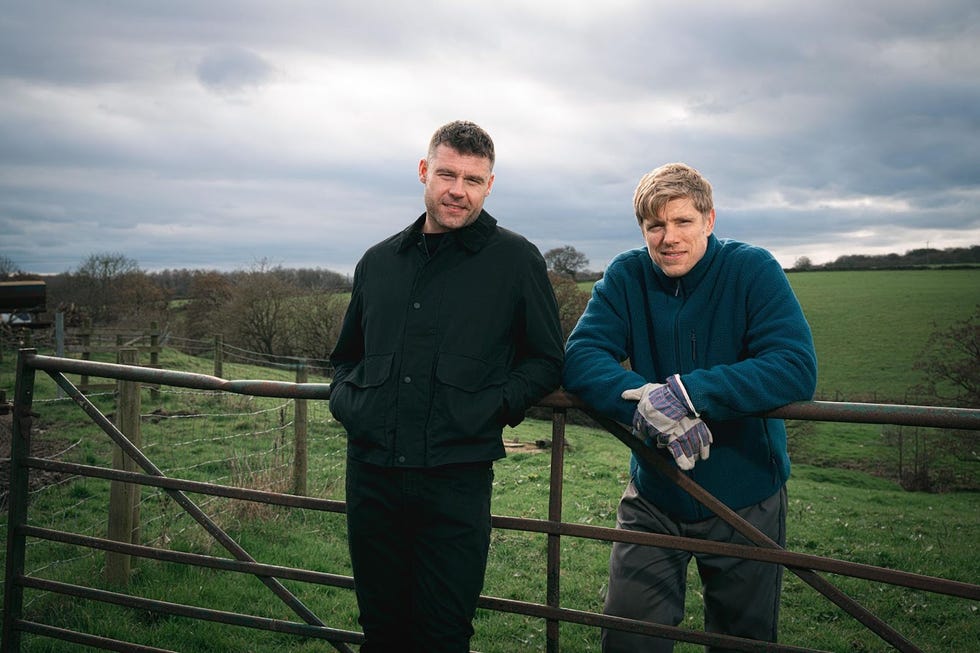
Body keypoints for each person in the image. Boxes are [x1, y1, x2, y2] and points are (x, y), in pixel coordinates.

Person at [328, 120, 564, 652]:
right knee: (382, 632)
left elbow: (547, 359)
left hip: (455, 479)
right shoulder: (378, 262)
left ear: (489, 185)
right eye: (447, 174)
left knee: (443, 635)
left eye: (473, 179)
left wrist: (492, 407)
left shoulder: (516, 260)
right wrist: (351, 405)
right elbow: (346, 358)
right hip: (373, 477)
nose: (458, 189)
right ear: (423, 172)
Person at [563, 162, 817, 652]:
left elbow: (794, 366)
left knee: (742, 641)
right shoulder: (626, 275)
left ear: (710, 220)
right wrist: (642, 404)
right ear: (643, 230)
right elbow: (581, 355)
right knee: (629, 638)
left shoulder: (752, 269)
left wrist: (686, 394)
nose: (668, 238)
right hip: (655, 492)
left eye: (682, 222)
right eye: (655, 225)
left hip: (745, 494)